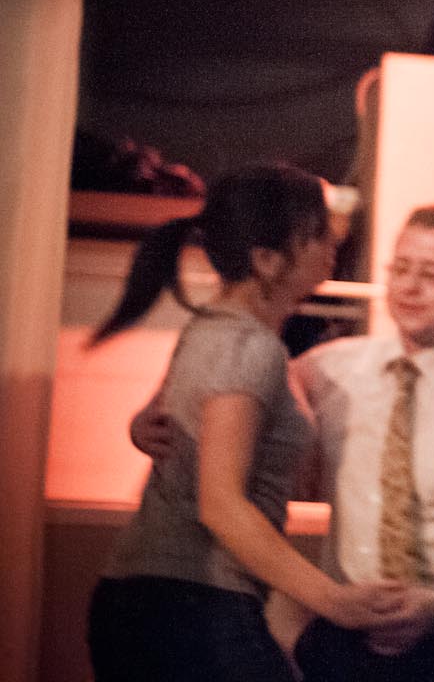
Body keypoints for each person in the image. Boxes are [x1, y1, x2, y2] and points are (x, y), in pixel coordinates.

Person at [87, 165, 411, 682]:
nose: (333, 241)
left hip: (153, 600)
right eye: (316, 232)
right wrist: (336, 601)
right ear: (266, 261)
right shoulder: (247, 346)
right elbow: (222, 505)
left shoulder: (213, 330)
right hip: (189, 607)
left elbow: (165, 419)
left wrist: (139, 426)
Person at [285, 205, 434, 681]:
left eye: (431, 274)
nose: (409, 287)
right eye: (400, 269)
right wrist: (148, 420)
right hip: (343, 638)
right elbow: (239, 379)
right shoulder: (332, 370)